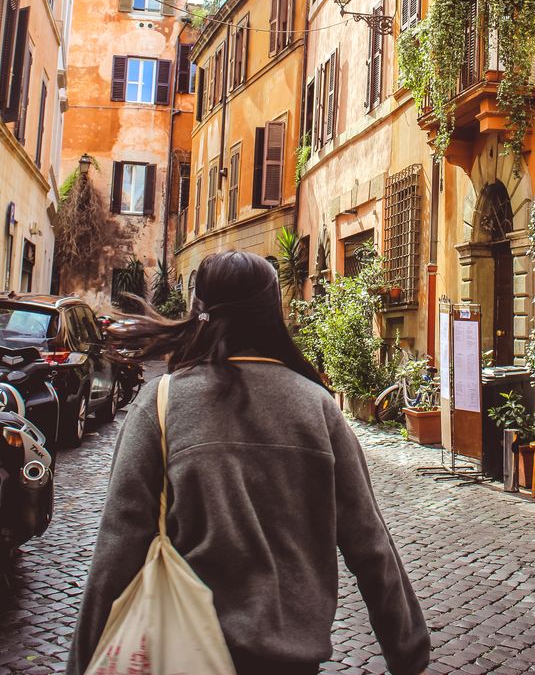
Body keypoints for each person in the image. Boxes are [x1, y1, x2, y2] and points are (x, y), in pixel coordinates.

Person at [67, 251, 430, 675]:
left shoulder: (162, 404)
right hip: (291, 661)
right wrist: (407, 650)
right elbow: (369, 543)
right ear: (271, 313)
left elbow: (117, 549)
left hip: (186, 653)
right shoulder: (318, 408)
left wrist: (82, 660)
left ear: (198, 309)